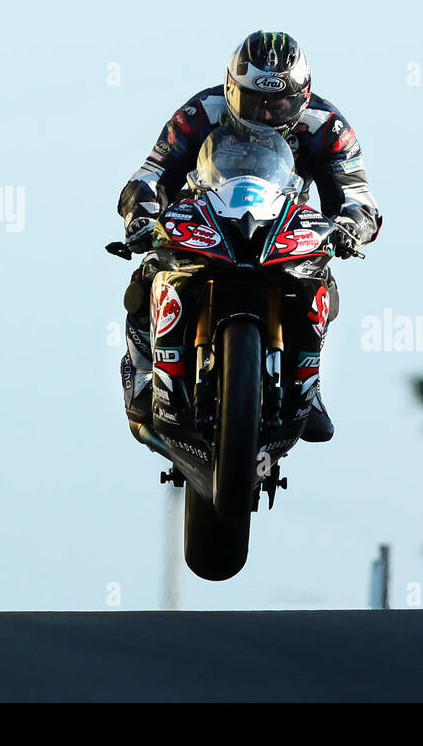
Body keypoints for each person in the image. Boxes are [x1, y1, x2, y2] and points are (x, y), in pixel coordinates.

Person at [116, 31, 381, 442]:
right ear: (231, 88)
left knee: (320, 279)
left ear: (303, 95)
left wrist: (351, 227)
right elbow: (150, 174)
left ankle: (306, 387)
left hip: (283, 221)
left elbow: (359, 197)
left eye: (279, 102)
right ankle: (146, 374)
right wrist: (141, 216)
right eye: (254, 100)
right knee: (151, 266)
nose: (266, 113)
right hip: (205, 212)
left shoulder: (328, 126)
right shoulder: (202, 112)